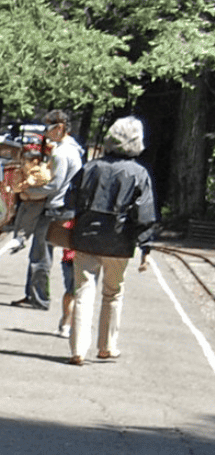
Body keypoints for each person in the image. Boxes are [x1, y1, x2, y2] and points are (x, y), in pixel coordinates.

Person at [59, 116, 158, 365]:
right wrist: (145, 247)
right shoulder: (139, 173)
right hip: (119, 241)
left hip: (86, 237)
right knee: (112, 293)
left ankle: (77, 349)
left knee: (83, 291)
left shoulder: (91, 167)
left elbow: (70, 200)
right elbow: (144, 213)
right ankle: (107, 346)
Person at [14, 108, 82, 310]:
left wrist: (29, 190)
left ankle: (39, 298)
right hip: (65, 207)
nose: (46, 132)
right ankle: (32, 294)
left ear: (59, 128)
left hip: (55, 208)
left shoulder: (61, 153)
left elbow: (54, 185)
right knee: (43, 252)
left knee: (40, 254)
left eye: (49, 127)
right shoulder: (75, 149)